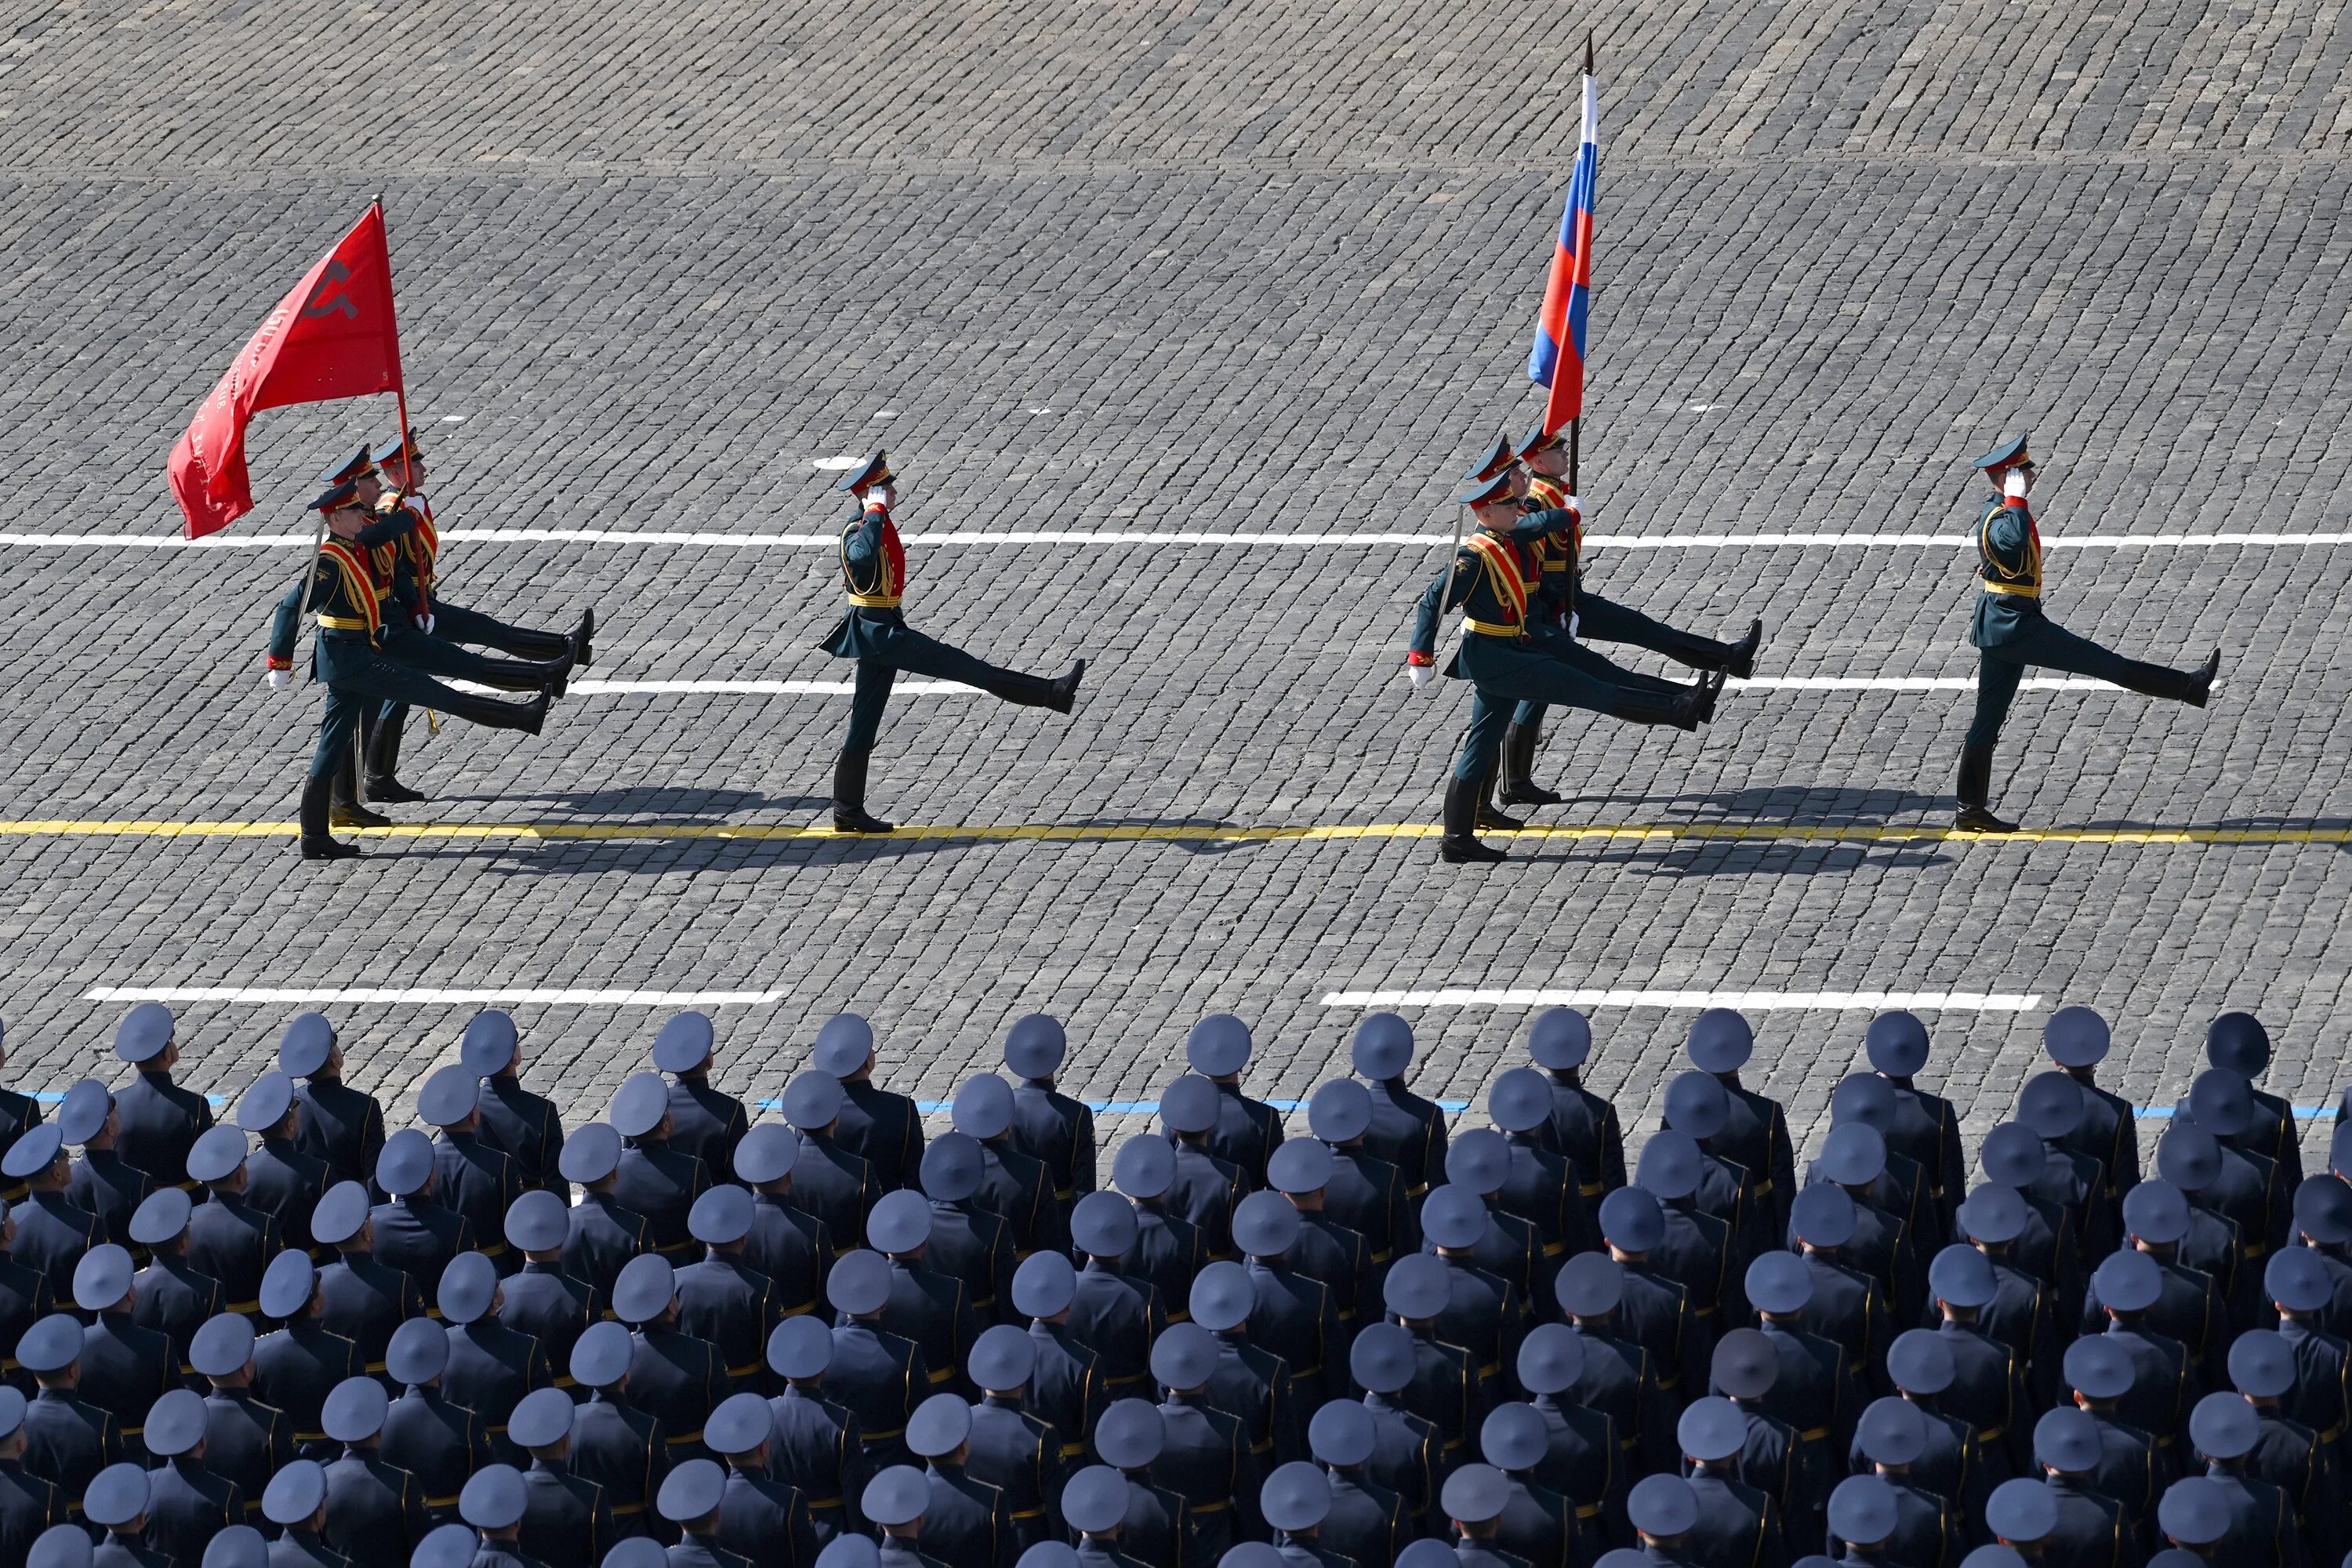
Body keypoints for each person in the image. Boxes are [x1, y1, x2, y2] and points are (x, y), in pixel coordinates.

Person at [1404, 466, 1718, 861]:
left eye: (1516, 501)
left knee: (1482, 743)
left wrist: (1556, 608)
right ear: (1485, 513)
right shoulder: (1473, 558)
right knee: (1589, 689)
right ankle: (1678, 709)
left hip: (1508, 652)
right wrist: (1421, 656)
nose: (1519, 508)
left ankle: (1458, 836)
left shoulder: (1502, 541)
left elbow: (1525, 589)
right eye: (1509, 504)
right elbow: (1433, 601)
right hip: (1498, 659)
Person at [261, 475, 554, 858]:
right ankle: (524, 717)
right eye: (353, 510)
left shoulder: (353, 547)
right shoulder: (330, 564)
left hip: (354, 654)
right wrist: (280, 661)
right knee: (430, 690)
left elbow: (383, 548)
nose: (361, 514)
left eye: (360, 508)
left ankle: (314, 837)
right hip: (349, 659)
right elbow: (290, 606)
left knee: (331, 746)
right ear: (334, 520)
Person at [1955, 434, 2220, 831]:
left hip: (2007, 623)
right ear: (2008, 477)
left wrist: (2014, 503)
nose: (2031, 475)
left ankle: (1969, 811)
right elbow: (2010, 543)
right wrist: (2015, 499)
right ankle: (2188, 687)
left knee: (1988, 719)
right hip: (2014, 627)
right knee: (2104, 663)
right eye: (2023, 471)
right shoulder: (1999, 517)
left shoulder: (2002, 512)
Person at [818, 452, 1084, 833]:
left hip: (883, 628)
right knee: (969, 669)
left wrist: (877, 513)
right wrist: (873, 511)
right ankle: (1052, 693)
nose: (892, 491)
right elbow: (861, 559)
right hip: (879, 633)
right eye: (885, 487)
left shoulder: (876, 523)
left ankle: (847, 810)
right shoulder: (859, 528)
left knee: (863, 723)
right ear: (872, 494)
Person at [1498, 423, 1763, 805]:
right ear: (1540, 460)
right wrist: (1563, 523)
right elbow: (1525, 539)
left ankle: (1726, 660)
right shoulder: (1540, 499)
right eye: (1559, 452)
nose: (1566, 456)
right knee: (1566, 680)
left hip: (1570, 595)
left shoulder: (1553, 492)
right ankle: (1515, 782)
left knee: (1637, 634)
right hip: (1558, 603)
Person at [358, 426, 593, 805]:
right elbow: (394, 567)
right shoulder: (392, 512)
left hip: (421, 604)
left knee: (405, 690)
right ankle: (558, 660)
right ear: (398, 472)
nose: (424, 467)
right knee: (480, 637)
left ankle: (379, 777)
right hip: (411, 612)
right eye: (415, 462)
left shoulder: (411, 503)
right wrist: (415, 609)